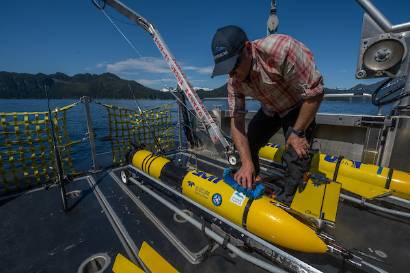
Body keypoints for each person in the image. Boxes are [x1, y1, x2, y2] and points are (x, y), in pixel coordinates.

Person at [211, 25, 324, 204]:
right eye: (227, 70)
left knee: (295, 155)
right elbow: (237, 121)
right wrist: (247, 162)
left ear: (248, 48)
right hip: (270, 109)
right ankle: (251, 179)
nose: (232, 74)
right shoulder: (233, 80)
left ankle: (287, 202)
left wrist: (297, 133)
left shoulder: (282, 49)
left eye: (234, 65)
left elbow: (316, 92)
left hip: (297, 106)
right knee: (250, 142)